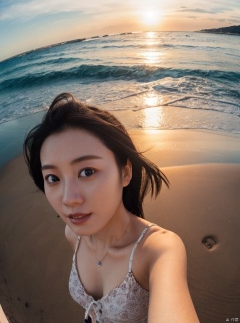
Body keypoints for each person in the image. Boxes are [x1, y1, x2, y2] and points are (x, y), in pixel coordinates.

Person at [23, 92, 199, 323]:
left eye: (87, 172)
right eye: (53, 178)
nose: (68, 199)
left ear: (125, 173)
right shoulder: (74, 235)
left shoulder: (159, 251)